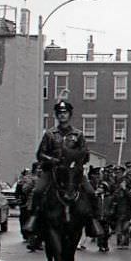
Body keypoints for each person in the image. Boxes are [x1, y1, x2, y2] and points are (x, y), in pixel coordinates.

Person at [24, 101, 102, 237]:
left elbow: (85, 154)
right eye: (59, 113)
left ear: (69, 115)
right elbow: (40, 154)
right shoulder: (49, 134)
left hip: (72, 171)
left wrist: (76, 160)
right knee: (38, 191)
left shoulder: (78, 135)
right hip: (53, 170)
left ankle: (94, 221)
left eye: (65, 113)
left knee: (91, 192)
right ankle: (33, 218)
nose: (62, 115)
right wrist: (52, 160)